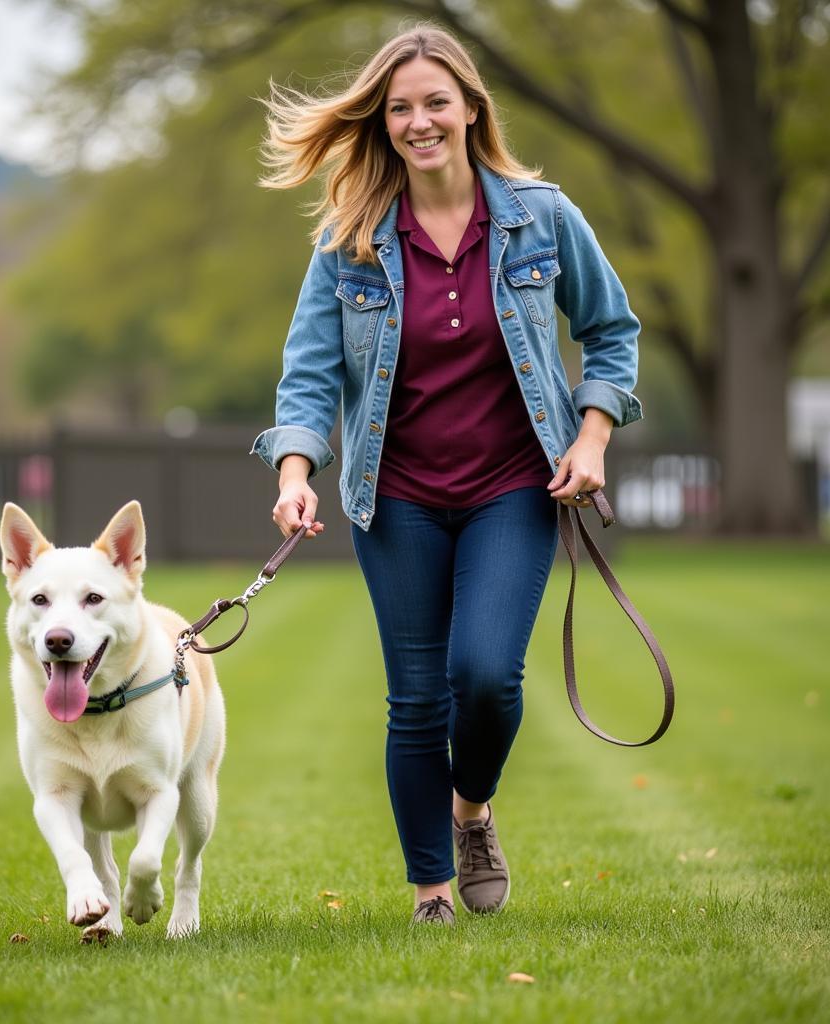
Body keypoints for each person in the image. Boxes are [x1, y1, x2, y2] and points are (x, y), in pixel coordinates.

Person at [251, 25, 642, 925]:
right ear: (383, 126)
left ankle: (472, 812)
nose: (420, 121)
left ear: (471, 108)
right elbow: (309, 374)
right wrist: (296, 472)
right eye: (400, 109)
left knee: (486, 677)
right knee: (417, 699)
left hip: (515, 486)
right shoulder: (348, 242)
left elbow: (612, 333)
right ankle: (432, 889)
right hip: (396, 500)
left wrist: (592, 440)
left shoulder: (543, 217)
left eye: (436, 103)